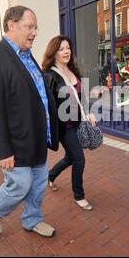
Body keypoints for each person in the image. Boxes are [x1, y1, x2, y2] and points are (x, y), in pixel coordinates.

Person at [0, 5, 59, 237]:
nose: (34, 32)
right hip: (15, 144)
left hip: (38, 138)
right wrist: (2, 151)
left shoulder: (26, 55)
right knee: (20, 186)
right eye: (29, 27)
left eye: (36, 27)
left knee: (38, 185)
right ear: (11, 25)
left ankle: (32, 220)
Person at [42, 35, 96, 211]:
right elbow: (46, 104)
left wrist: (88, 113)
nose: (66, 52)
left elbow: (82, 96)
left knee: (70, 158)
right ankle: (79, 196)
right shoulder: (49, 75)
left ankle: (51, 175)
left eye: (68, 48)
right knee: (79, 159)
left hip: (78, 122)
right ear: (54, 52)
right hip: (64, 127)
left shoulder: (73, 70)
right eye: (61, 49)